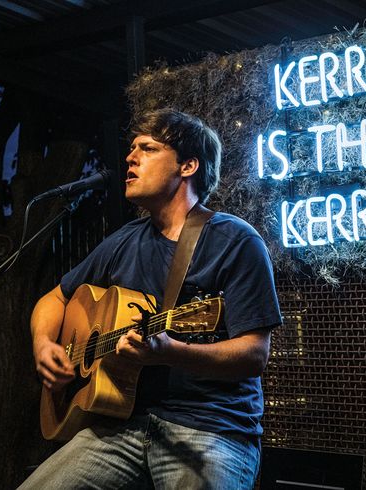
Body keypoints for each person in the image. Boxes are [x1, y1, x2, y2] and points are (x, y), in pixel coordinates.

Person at [20, 108, 282, 489]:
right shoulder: (124, 240)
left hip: (209, 428)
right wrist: (44, 344)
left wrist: (171, 352)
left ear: (187, 166)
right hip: (120, 425)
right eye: (131, 149)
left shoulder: (236, 242)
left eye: (148, 148)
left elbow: (254, 355)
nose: (130, 157)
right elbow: (54, 299)